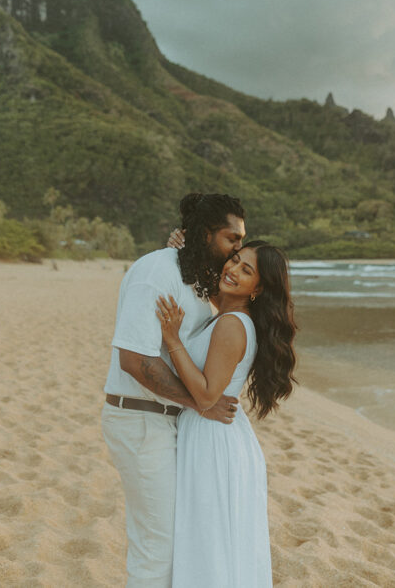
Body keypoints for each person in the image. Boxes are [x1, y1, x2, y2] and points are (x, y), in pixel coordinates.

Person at [102, 192, 246, 587]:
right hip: (141, 421)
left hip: (167, 423)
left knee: (171, 543)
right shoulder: (157, 273)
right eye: (231, 239)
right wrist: (201, 403)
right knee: (156, 550)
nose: (239, 247)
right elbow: (135, 360)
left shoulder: (196, 277)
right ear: (204, 235)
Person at [155, 240, 297, 587]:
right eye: (234, 260)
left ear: (258, 288)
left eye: (246, 271)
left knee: (207, 541)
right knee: (213, 540)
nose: (232, 270)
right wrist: (184, 246)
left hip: (212, 438)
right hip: (220, 435)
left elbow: (205, 396)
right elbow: (209, 286)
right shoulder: (231, 313)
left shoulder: (232, 324)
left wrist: (172, 340)